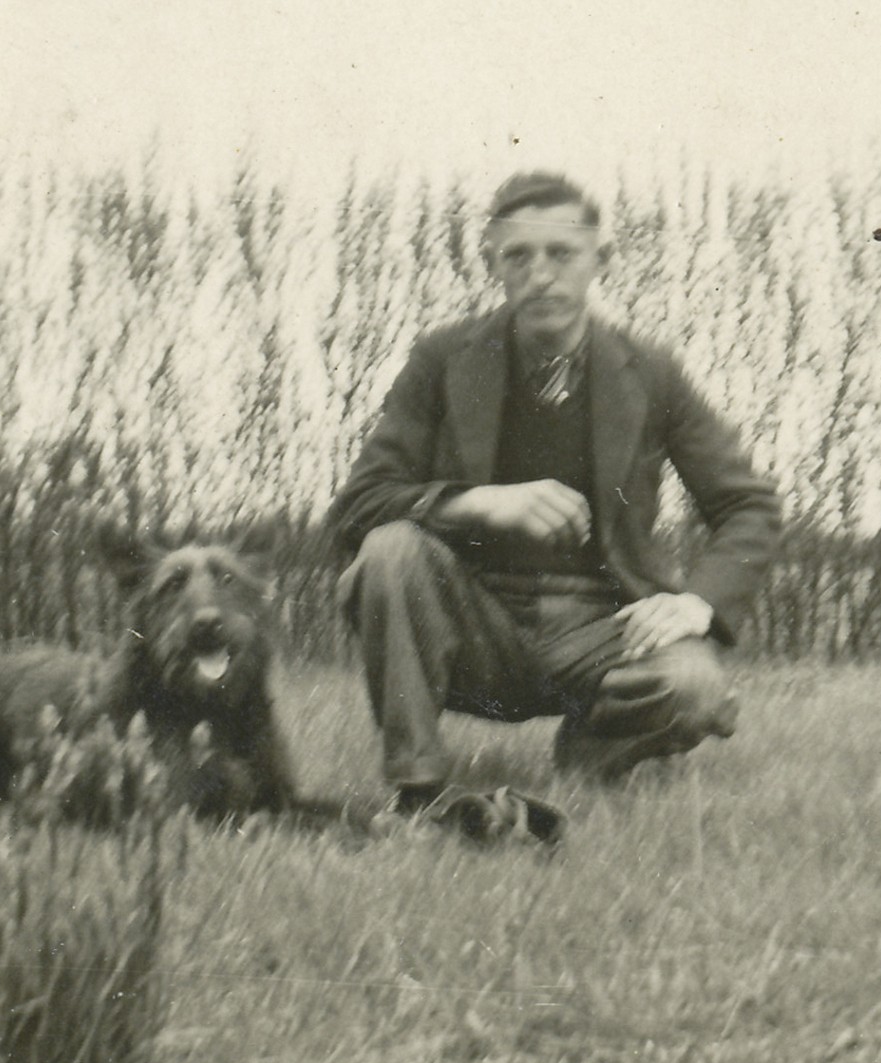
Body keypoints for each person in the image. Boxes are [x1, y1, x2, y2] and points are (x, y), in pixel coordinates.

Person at [328, 171, 780, 833]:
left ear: (602, 259)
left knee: (695, 686)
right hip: (476, 625)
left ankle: (591, 756)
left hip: (604, 626)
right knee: (390, 550)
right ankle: (419, 791)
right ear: (491, 264)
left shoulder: (651, 372)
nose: (541, 275)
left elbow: (748, 506)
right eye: (518, 255)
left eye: (561, 253)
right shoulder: (442, 360)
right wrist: (478, 503)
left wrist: (697, 603)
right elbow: (358, 506)